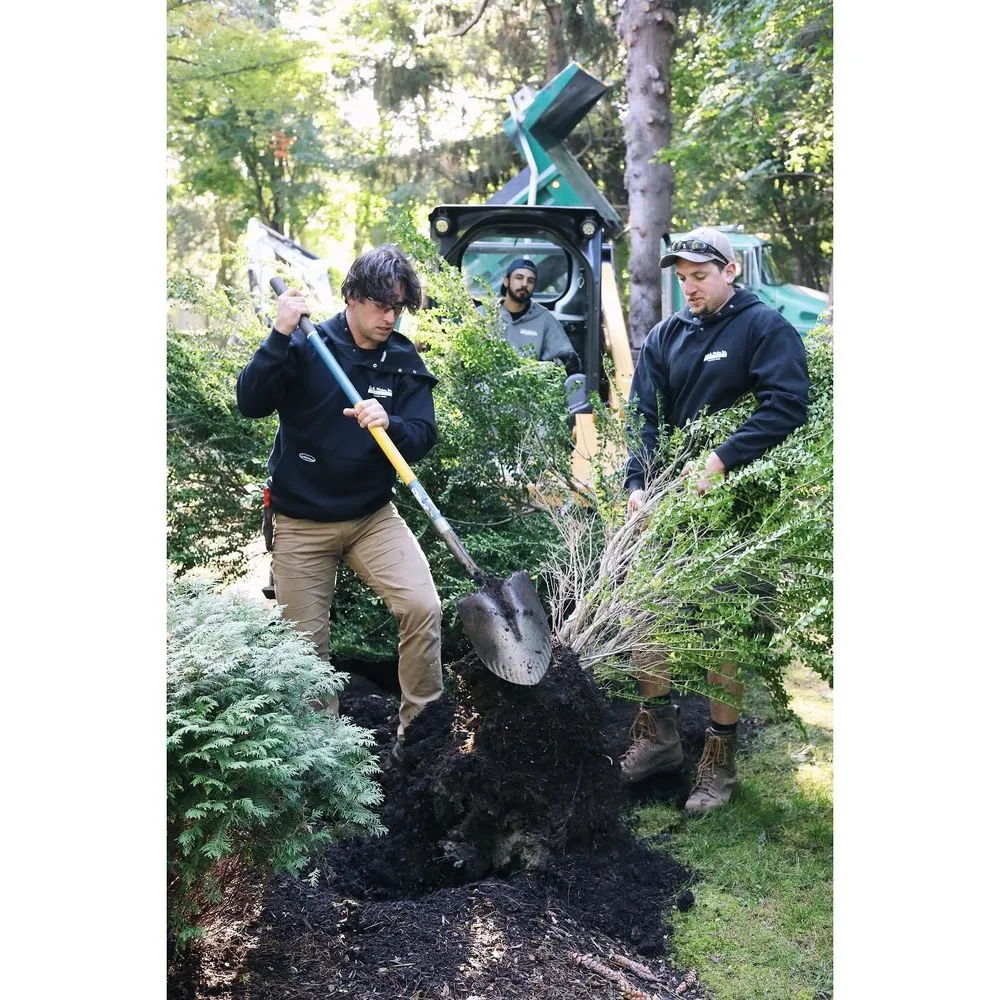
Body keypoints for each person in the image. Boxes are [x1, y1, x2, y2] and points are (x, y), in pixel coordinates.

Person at [620, 226, 809, 812]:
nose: (689, 288)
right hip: (671, 503)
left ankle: (719, 762)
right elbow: (644, 417)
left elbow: (787, 404)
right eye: (681, 279)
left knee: (725, 628)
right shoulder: (665, 336)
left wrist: (723, 459)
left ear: (731, 271)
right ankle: (659, 739)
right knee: (645, 615)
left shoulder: (764, 327)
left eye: (699, 277)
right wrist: (637, 484)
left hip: (738, 507)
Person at [236, 244, 443, 750]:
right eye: (380, 304)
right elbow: (250, 402)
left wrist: (389, 421)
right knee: (307, 653)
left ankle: (420, 740)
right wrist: (279, 332)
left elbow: (423, 433)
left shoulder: (401, 359)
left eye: (397, 307)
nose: (389, 317)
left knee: (423, 607)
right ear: (351, 297)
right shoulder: (307, 345)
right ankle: (327, 763)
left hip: (373, 517)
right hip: (302, 522)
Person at [496, 257, 581, 373]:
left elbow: (566, 358)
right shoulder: (484, 314)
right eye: (519, 278)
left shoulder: (545, 319)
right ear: (506, 281)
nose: (524, 284)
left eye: (530, 280)